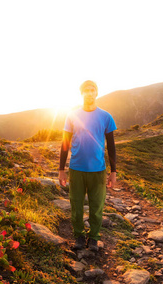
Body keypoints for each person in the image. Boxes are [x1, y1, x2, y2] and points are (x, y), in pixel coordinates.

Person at [59, 80, 117, 252]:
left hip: (98, 171)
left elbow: (112, 146)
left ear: (96, 93)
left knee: (97, 206)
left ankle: (93, 237)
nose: (89, 93)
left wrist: (113, 172)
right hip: (76, 169)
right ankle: (78, 235)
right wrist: (61, 170)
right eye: (86, 90)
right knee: (76, 205)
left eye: (92, 90)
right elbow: (64, 143)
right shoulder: (72, 115)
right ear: (81, 93)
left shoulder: (106, 116)